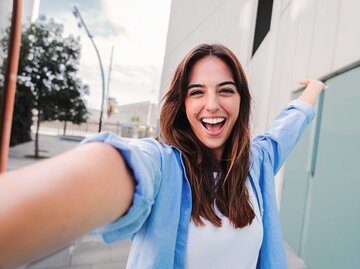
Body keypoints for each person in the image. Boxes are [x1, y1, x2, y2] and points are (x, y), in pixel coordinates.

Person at [0, 43, 326, 269]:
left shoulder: (257, 161)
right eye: (196, 92)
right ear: (182, 104)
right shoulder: (162, 163)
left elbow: (290, 123)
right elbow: (118, 167)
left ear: (241, 100)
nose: (212, 104)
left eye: (225, 90)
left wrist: (314, 88)